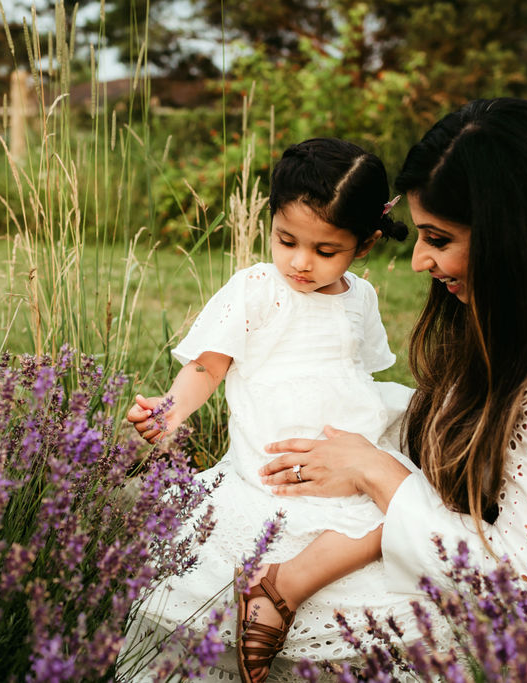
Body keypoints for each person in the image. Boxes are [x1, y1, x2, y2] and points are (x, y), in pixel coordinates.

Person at [259, 98, 527, 664]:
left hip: (499, 627)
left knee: (242, 580)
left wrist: (374, 469)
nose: (419, 260)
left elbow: (524, 595)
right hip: (461, 539)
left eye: (438, 239)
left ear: (518, 235)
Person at [123, 137, 414, 682]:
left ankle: (285, 583)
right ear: (272, 224)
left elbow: (361, 372)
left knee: (405, 512)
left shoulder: (361, 298)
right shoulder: (258, 287)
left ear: (365, 244)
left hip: (346, 442)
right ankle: (273, 591)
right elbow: (209, 367)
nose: (301, 263)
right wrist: (170, 410)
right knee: (315, 516)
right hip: (278, 444)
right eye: (287, 241)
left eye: (326, 251)